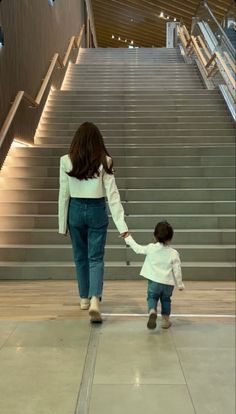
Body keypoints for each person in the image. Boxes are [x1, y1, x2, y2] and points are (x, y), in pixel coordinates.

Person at [58, 122, 128, 323]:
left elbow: (63, 194)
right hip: (97, 209)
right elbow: (113, 196)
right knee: (96, 257)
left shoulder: (65, 161)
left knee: (80, 256)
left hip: (75, 210)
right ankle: (95, 298)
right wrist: (122, 226)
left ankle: (83, 298)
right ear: (98, 140)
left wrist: (62, 224)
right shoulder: (105, 160)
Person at [123, 221, 184, 330]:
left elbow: (137, 249)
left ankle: (152, 310)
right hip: (168, 284)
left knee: (152, 297)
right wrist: (180, 284)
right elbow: (177, 270)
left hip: (154, 282)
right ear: (170, 238)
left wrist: (128, 237)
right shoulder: (174, 253)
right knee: (166, 300)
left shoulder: (151, 248)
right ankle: (165, 320)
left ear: (155, 236)